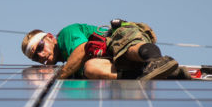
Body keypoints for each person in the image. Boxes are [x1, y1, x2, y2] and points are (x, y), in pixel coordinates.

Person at [22, 21, 183, 80]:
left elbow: (82, 49)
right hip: (119, 64)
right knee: (91, 68)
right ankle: (158, 74)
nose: (41, 55)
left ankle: (157, 61)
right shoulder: (71, 68)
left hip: (120, 37)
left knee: (125, 48)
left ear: (50, 37)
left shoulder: (66, 35)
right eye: (36, 57)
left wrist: (60, 76)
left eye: (40, 48)